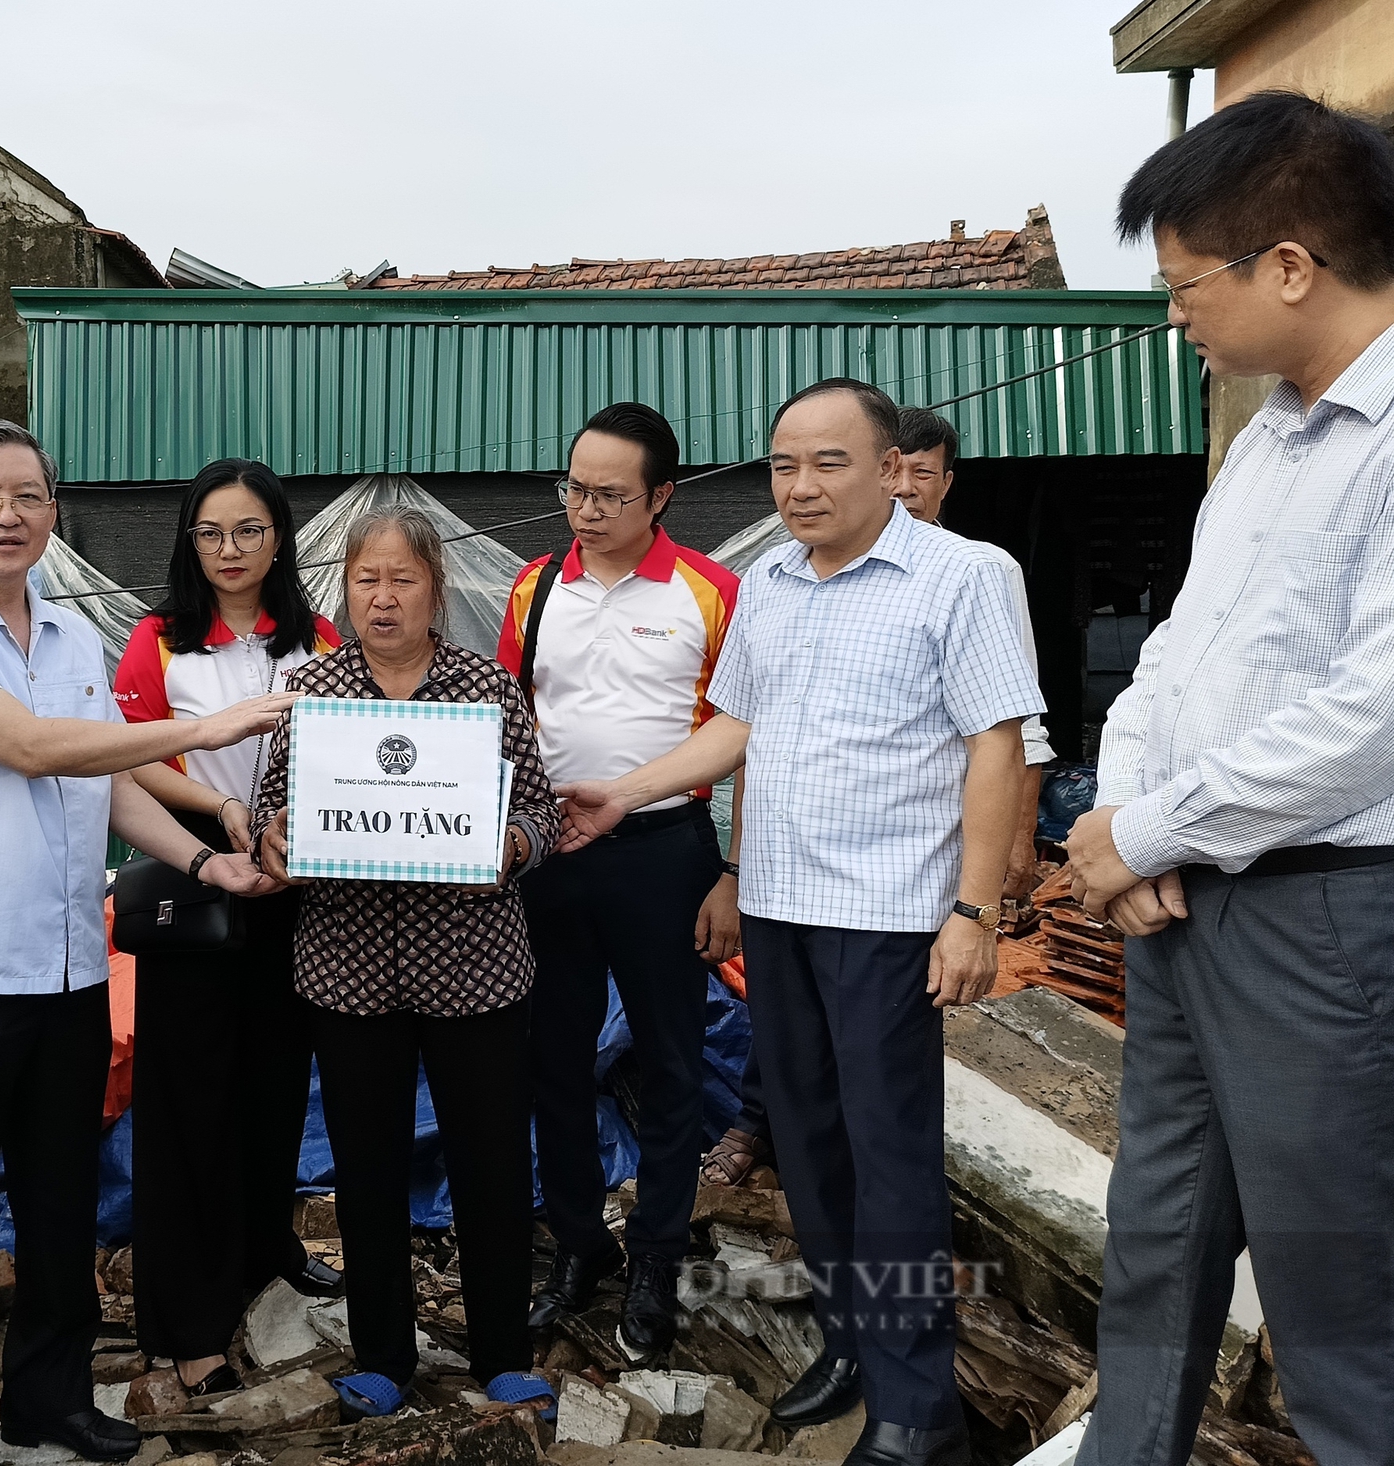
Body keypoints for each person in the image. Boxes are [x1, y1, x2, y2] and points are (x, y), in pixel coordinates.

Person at [557, 378, 1041, 1466]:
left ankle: (920, 1408)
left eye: (827, 461)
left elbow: (994, 746)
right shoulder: (768, 580)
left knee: (890, 1152)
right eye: (783, 463)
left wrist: (971, 910)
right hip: (778, 905)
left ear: (887, 467)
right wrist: (625, 793)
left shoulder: (961, 575)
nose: (800, 484)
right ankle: (850, 1337)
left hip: (886, 917)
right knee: (811, 1147)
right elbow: (734, 725)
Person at [1065, 92, 1394, 1466]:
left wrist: (1146, 829)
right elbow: (1176, 657)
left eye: (1186, 283)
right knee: (1156, 1234)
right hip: (1189, 898)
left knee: (1336, 1281)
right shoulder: (1264, 440)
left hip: (1322, 914)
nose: (1177, 315)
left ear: (1290, 265)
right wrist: (1129, 835)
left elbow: (1373, 715)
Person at [0, 419, 293, 1466]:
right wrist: (199, 731)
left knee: (58, 1200)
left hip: (66, 966)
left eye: (27, 496)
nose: (6, 515)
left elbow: (100, 779)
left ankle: (46, 1396)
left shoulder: (66, 636)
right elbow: (29, 747)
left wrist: (202, 864)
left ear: (54, 515)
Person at [253, 505, 563, 1422]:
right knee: (367, 1165)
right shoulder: (311, 691)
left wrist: (508, 846)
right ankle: (384, 1355)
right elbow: (276, 812)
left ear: (436, 590)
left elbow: (539, 811)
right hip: (349, 970)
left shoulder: (486, 689)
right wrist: (277, 841)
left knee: (494, 1162)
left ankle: (503, 1352)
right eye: (365, 581)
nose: (382, 600)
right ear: (342, 591)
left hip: (475, 968)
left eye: (403, 581)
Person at [495, 402, 742, 1358]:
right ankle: (577, 1245)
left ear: (662, 496)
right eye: (574, 489)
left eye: (609, 495)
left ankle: (657, 1257)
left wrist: (727, 872)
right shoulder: (535, 586)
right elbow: (516, 716)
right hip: (552, 855)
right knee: (551, 1060)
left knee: (674, 1062)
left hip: (664, 853)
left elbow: (741, 734)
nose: (585, 510)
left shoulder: (710, 591)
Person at [113, 459, 343, 1396]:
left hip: (300, 877)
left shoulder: (316, 637)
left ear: (279, 537)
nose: (230, 550)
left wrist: (286, 821)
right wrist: (224, 813)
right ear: (188, 541)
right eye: (212, 533)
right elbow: (137, 753)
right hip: (196, 866)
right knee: (188, 1095)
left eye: (249, 530)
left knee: (278, 1080)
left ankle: (265, 1245)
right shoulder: (159, 639)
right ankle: (186, 1309)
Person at [891, 408, 1053, 898]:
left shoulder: (985, 570)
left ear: (946, 483)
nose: (904, 488)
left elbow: (1019, 720)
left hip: (950, 835)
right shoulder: (812, 569)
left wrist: (1019, 839)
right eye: (894, 471)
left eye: (922, 473)